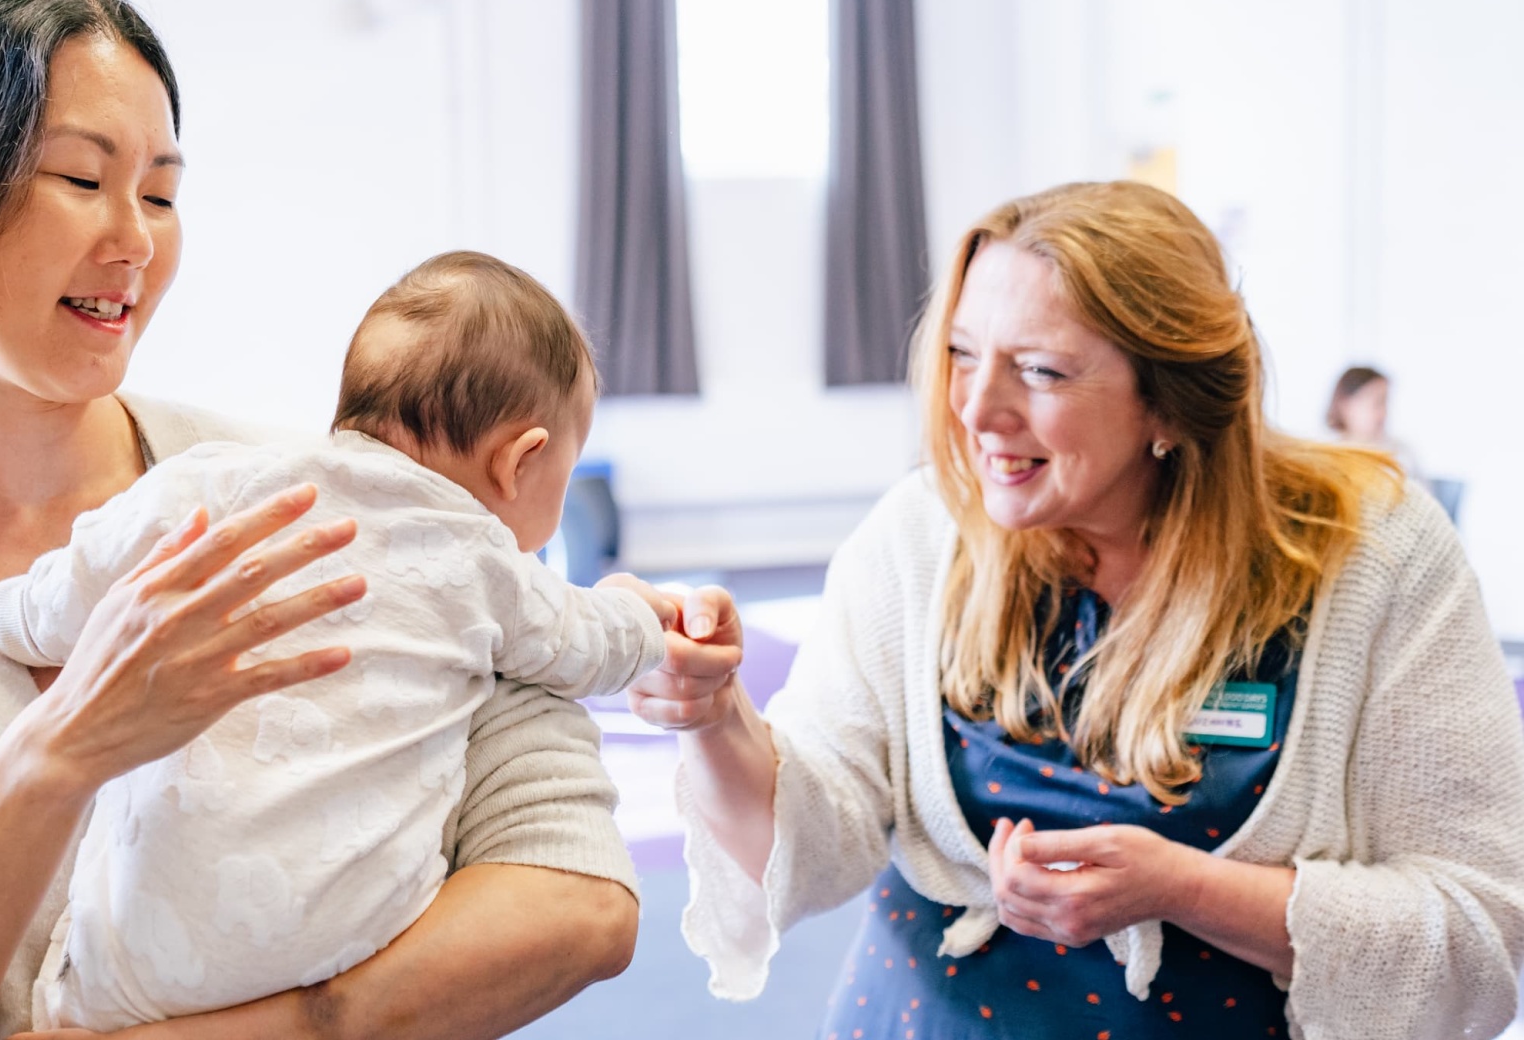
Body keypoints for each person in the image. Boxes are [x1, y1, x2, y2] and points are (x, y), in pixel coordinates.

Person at [0, 4, 638, 1039]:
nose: (133, 240)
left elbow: (576, 890)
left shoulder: (324, 498)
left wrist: (304, 1019)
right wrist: (60, 750)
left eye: (162, 193)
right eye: (83, 181)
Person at [626, 181, 1524, 1038]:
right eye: (962, 354)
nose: (977, 410)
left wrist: (1184, 888)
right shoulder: (918, 538)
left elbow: (1483, 931)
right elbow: (808, 848)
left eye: (1041, 370)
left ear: (1167, 400)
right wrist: (713, 718)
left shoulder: (1370, 557)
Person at [0, 250, 670, 1030]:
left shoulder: (216, 484)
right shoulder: (484, 561)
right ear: (522, 461)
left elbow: (74, 587)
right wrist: (643, 614)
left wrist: (7, 614)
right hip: (348, 945)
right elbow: (587, 649)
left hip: (141, 961)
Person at [1326, 364, 1422, 477]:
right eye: (1377, 403)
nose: (1383, 413)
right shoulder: (1325, 457)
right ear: (1345, 405)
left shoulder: (1403, 454)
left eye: (1385, 402)